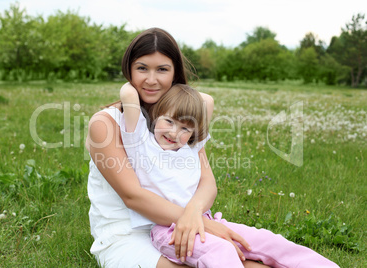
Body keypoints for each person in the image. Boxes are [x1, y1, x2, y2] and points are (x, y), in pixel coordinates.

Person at [86, 27, 339, 268]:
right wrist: (203, 224)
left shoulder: (182, 125)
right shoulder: (107, 123)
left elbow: (207, 183)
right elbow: (133, 196)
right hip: (129, 234)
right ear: (129, 70)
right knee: (222, 258)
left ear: (175, 74)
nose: (151, 80)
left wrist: (197, 215)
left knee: (250, 256)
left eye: (162, 69)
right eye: (142, 68)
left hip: (190, 222)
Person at [119, 82, 340, 268]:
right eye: (169, 121)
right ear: (156, 115)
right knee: (221, 251)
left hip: (206, 220)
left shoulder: (191, 148)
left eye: (185, 128)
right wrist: (154, 85)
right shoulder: (140, 144)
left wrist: (181, 99)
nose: (174, 133)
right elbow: (129, 93)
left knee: (267, 240)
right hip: (168, 230)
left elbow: (207, 100)